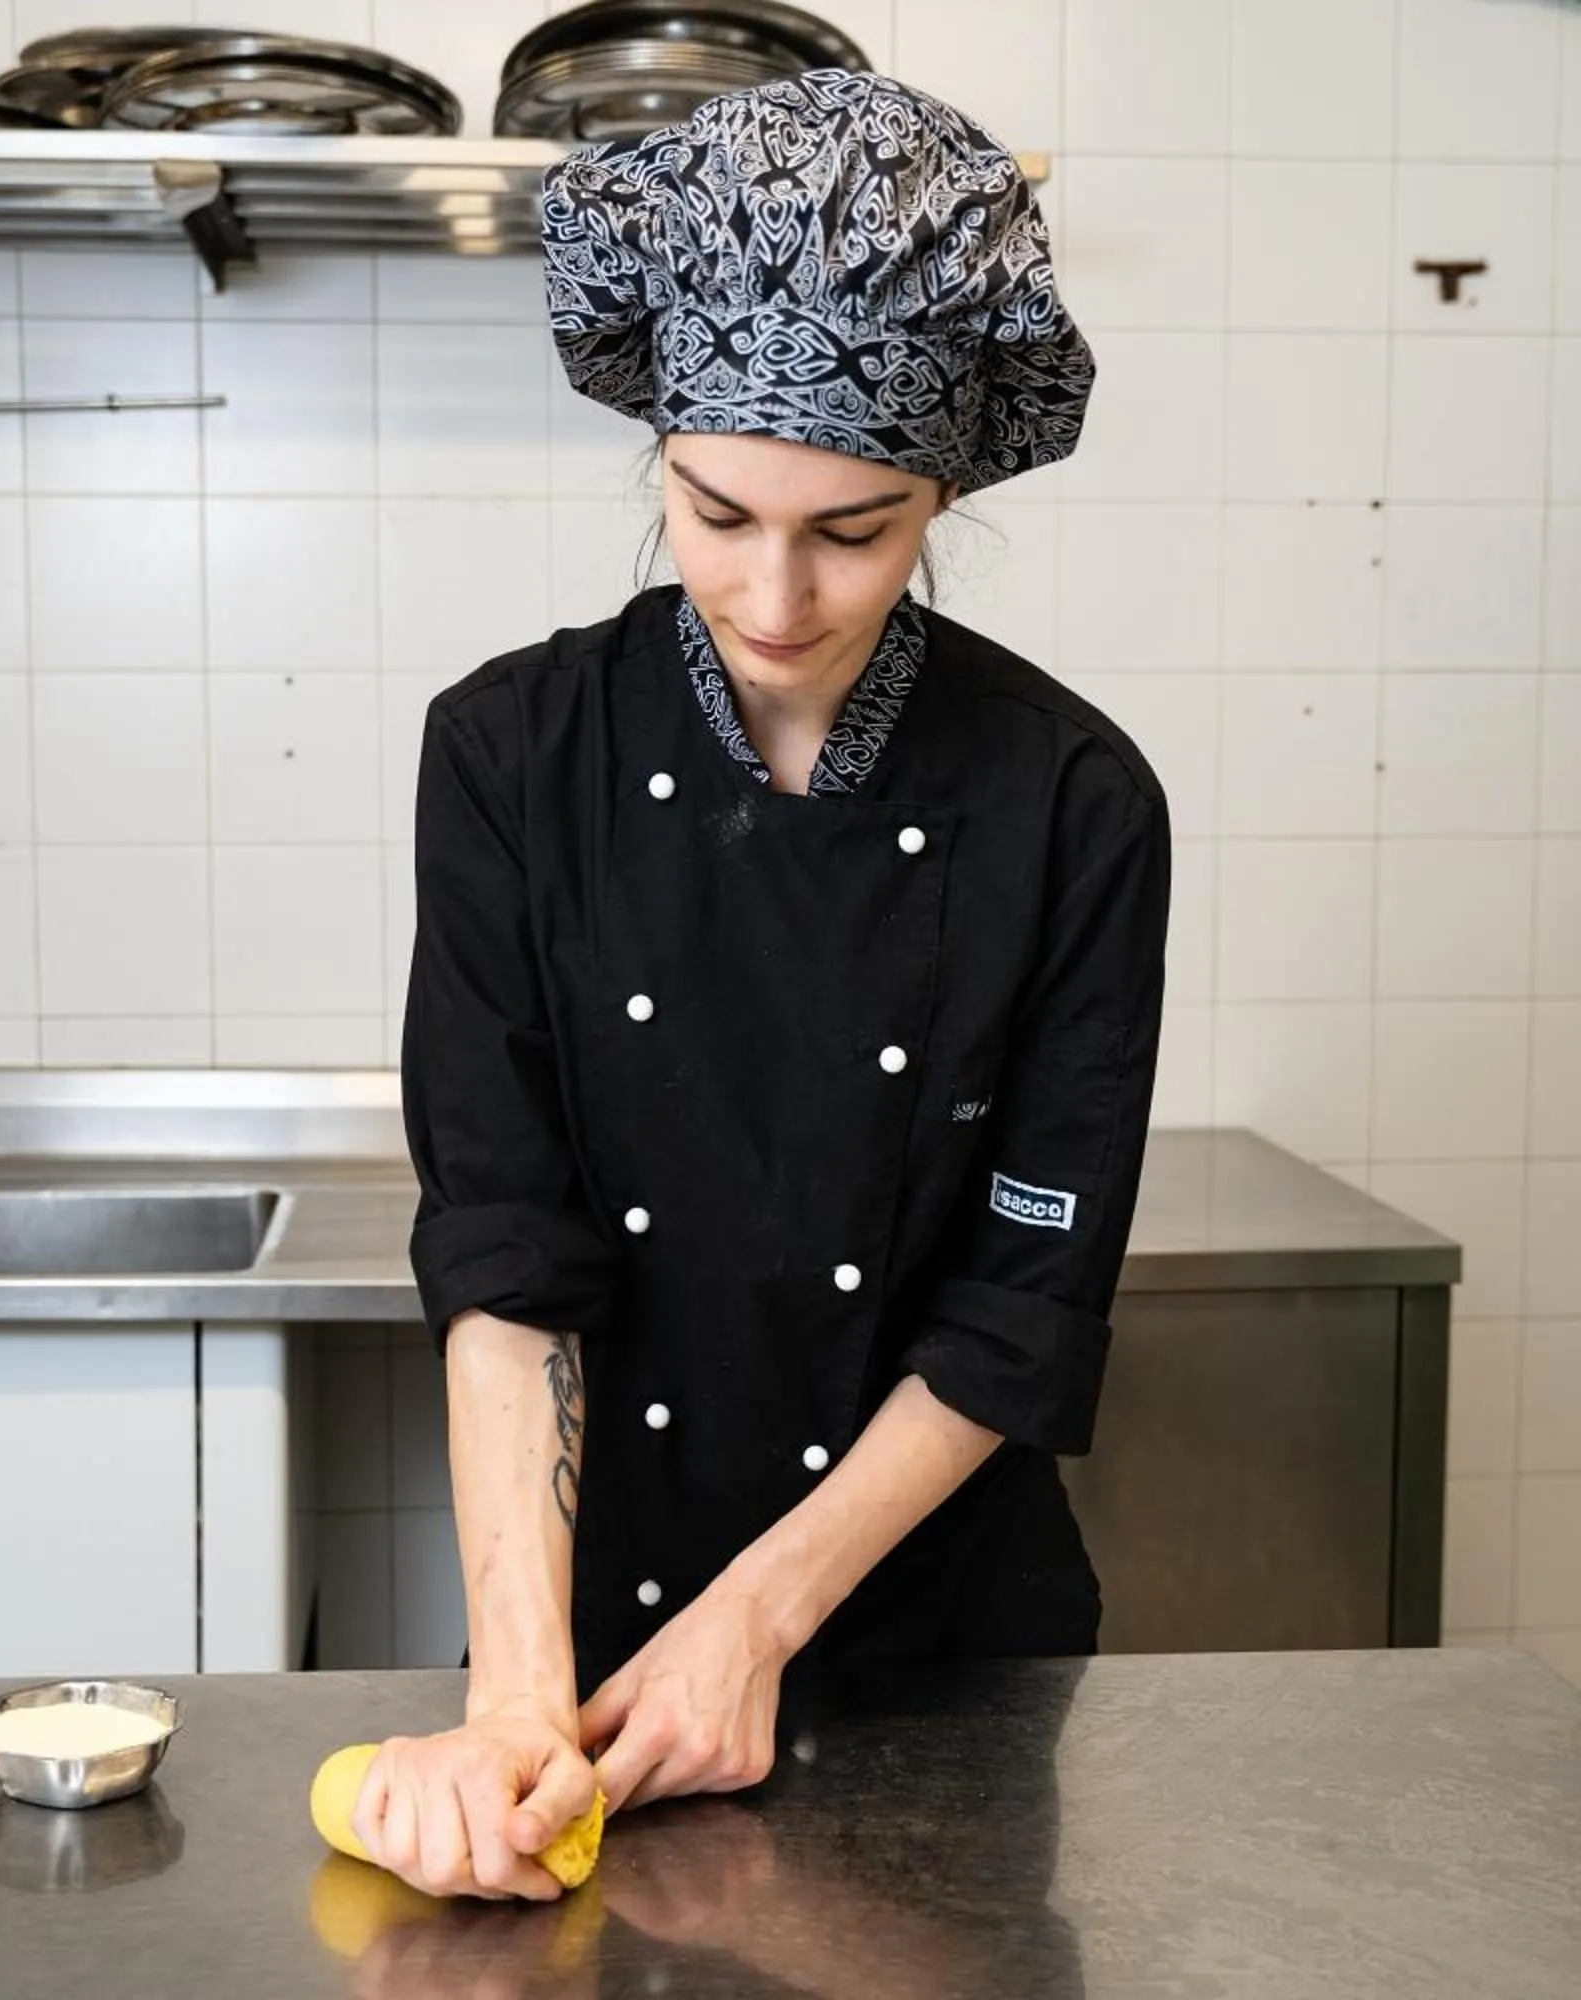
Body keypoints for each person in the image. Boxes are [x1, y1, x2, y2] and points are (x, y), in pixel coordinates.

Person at [368, 68, 1170, 1903]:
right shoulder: (510, 755)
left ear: (946, 491)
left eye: (856, 529)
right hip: (589, 1645)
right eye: (717, 513)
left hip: (944, 1651)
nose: (777, 592)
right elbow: (503, 1241)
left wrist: (769, 1617)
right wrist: (514, 1693)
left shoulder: (1072, 802)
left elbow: (1020, 1309)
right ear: (657, 453)